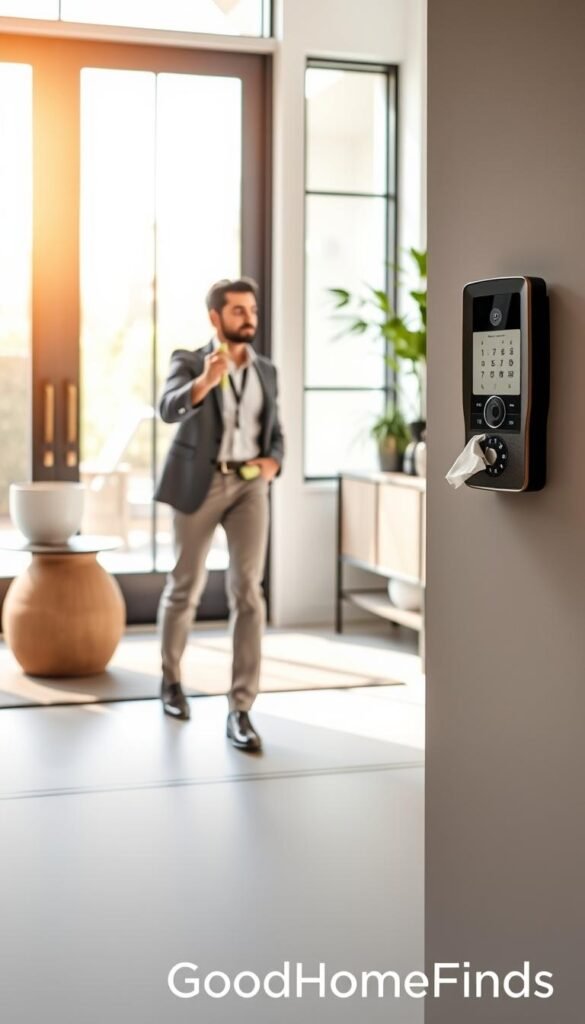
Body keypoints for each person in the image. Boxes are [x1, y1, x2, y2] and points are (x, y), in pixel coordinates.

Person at [154, 278, 284, 751]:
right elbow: (168, 408)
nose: (248, 318)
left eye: (252, 309)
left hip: (250, 486)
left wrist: (274, 461)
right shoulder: (187, 360)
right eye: (237, 311)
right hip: (200, 482)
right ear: (215, 318)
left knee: (248, 591)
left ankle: (241, 708)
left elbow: (276, 431)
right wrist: (205, 381)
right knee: (185, 585)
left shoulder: (267, 370)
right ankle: (170, 682)